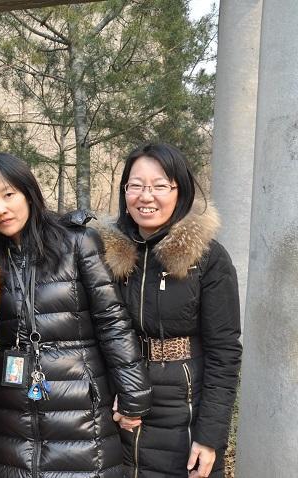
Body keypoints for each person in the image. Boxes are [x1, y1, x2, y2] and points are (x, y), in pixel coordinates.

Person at [0, 152, 151, 478]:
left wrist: (133, 393)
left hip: (81, 408)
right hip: (11, 411)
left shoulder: (77, 241)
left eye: (9, 194)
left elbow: (111, 319)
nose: (0, 209)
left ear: (28, 192)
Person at [103, 143, 241, 478]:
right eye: (136, 185)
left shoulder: (207, 258)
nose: (146, 196)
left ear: (180, 191)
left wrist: (210, 437)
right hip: (121, 409)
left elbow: (224, 352)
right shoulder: (107, 254)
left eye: (160, 185)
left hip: (184, 416)